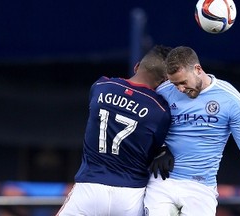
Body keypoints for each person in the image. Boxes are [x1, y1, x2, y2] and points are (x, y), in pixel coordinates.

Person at [144, 46, 240, 216]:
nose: (180, 89)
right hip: (162, 182)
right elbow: (146, 126)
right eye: (175, 84)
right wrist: (161, 148)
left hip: (201, 186)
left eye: (183, 82)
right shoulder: (164, 93)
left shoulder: (230, 99)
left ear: (197, 69)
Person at [56, 45, 174, 216]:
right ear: (164, 82)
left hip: (90, 188)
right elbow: (159, 146)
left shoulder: (101, 86)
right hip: (130, 196)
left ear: (137, 66)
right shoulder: (160, 110)